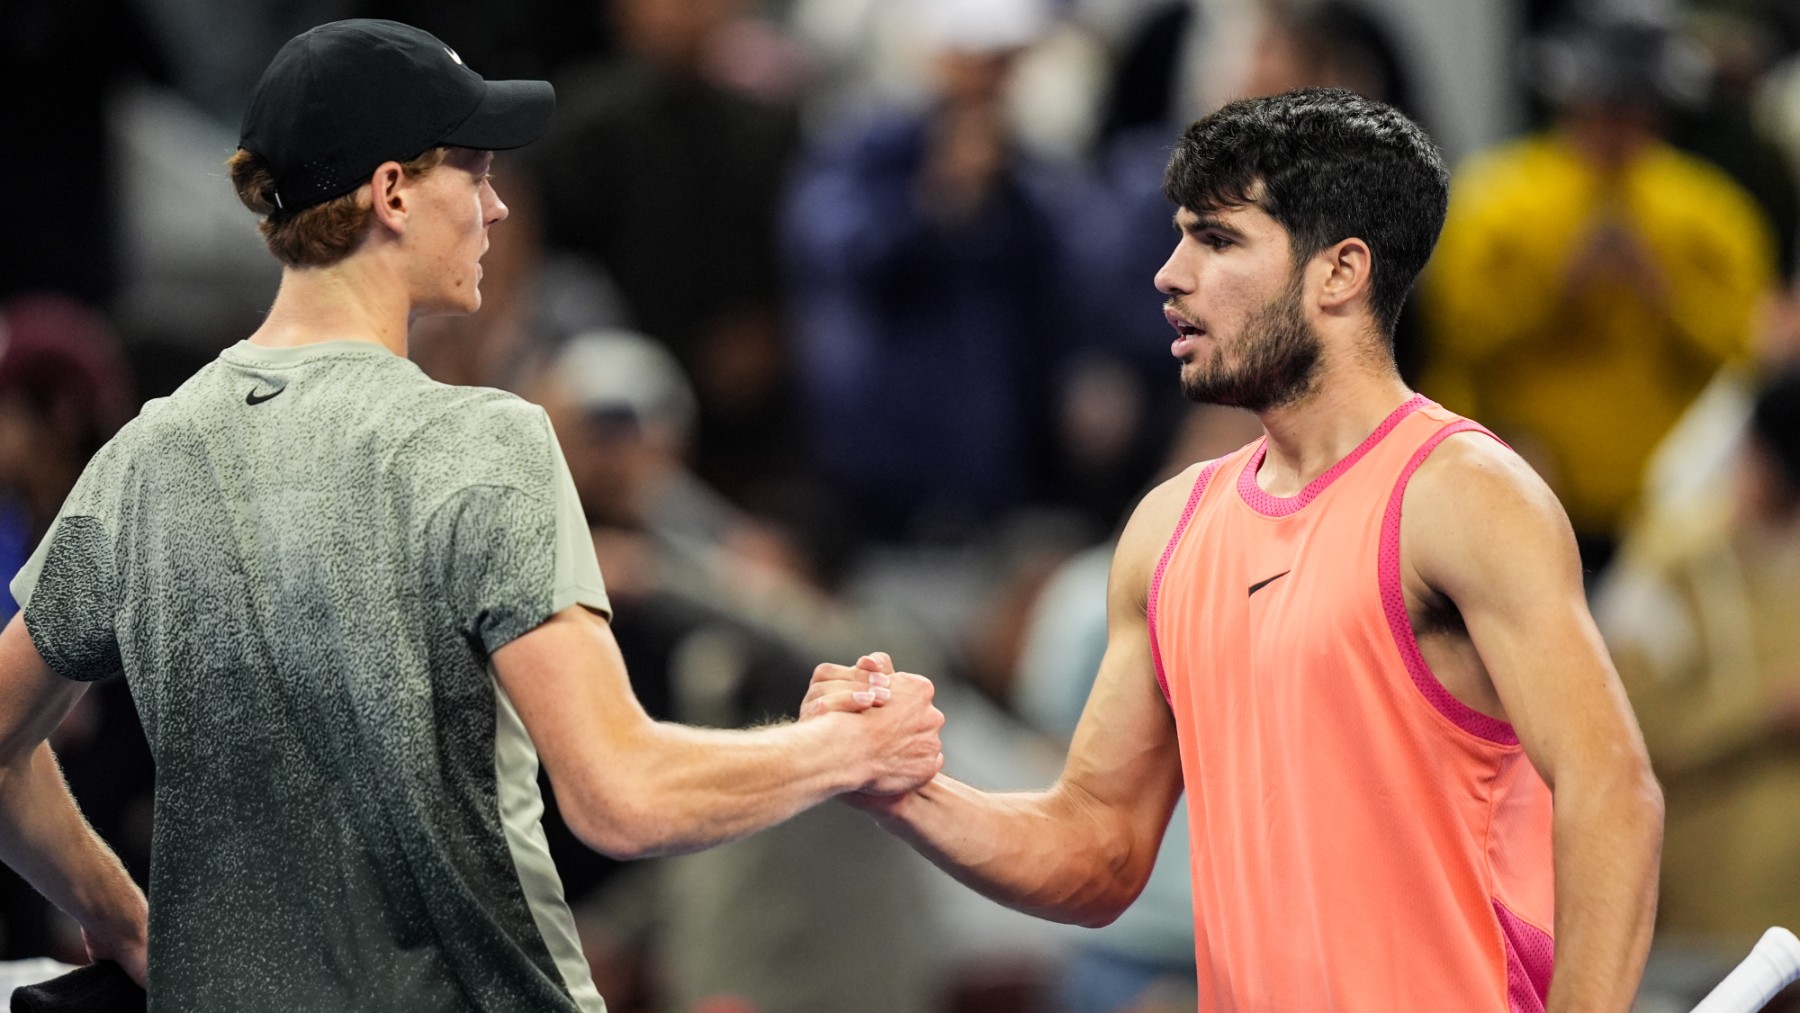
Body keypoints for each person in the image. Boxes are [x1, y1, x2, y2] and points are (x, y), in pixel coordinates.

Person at [0, 19, 943, 1012]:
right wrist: (841, 748)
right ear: (392, 191)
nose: (495, 205)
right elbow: (622, 792)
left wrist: (121, 912)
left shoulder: (147, 455)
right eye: (476, 169)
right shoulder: (480, 442)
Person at [807, 88, 1664, 1011]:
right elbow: (1097, 848)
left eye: (1217, 240)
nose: (1169, 274)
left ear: (1340, 273)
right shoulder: (1168, 528)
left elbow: (1611, 789)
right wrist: (899, 786)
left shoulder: (1463, 496)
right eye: (1181, 236)